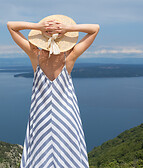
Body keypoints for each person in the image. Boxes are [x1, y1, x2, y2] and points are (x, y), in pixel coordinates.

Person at [7, 14, 100, 168]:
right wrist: (68, 28)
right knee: (69, 150)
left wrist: (38, 27)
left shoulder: (34, 54)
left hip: (41, 112)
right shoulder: (68, 57)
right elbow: (95, 29)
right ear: (63, 38)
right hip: (66, 112)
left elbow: (11, 25)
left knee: (39, 150)